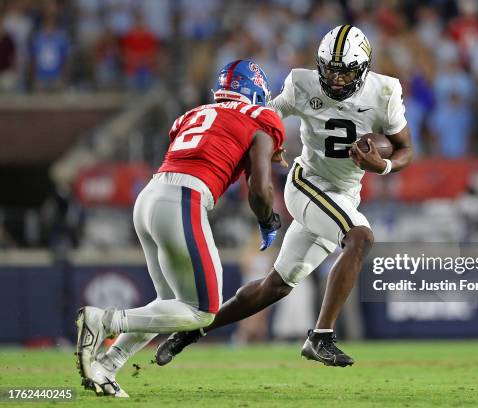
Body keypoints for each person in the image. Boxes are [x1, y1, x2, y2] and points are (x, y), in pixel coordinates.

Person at [156, 25, 412, 367]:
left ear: (363, 70)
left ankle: (194, 329)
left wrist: (380, 166)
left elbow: (405, 149)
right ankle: (321, 337)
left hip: (345, 195)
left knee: (275, 287)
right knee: (360, 237)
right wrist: (269, 146)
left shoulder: (384, 92)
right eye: (330, 70)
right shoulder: (301, 83)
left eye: (345, 72)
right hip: (308, 184)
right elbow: (263, 119)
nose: (336, 80)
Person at [75, 59, 286, 397]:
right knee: (203, 311)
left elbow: (204, 147)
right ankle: (105, 321)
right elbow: (260, 190)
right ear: (256, 92)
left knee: (168, 305)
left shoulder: (194, 114)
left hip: (150, 197)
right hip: (183, 200)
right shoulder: (262, 118)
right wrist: (268, 221)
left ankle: (107, 365)